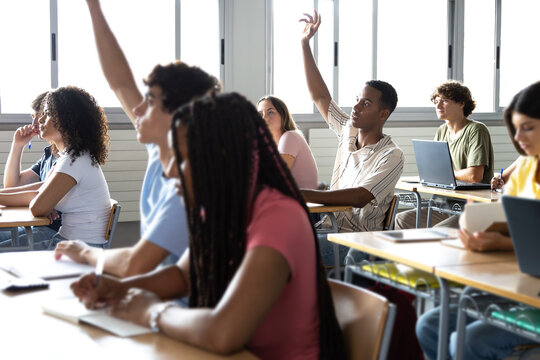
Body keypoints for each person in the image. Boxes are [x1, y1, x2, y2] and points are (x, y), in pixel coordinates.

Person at [71, 92, 347, 359]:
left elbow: (223, 333)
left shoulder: (278, 216)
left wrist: (152, 312)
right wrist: (118, 289)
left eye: (181, 156)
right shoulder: (220, 208)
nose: (168, 171)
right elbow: (183, 276)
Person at [53, 0, 219, 277]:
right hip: (159, 290)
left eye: (151, 101)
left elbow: (136, 264)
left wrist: (82, 252)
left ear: (177, 116)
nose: (138, 109)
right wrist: (93, 8)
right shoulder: (161, 148)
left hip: (179, 305)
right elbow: (120, 82)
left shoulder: (190, 181)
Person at [416, 81, 540, 360]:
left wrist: (503, 243)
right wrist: (481, 230)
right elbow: (516, 222)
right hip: (515, 280)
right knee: (429, 326)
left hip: (531, 289)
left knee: (468, 340)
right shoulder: (527, 166)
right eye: (515, 127)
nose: (518, 137)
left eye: (528, 127)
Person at [298, 11, 404, 264]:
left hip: (356, 242)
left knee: (284, 250)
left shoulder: (391, 155)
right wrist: (304, 44)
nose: (355, 108)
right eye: (357, 100)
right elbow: (320, 97)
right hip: (329, 227)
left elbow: (359, 196)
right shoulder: (348, 130)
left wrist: (304, 193)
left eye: (365, 103)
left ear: (383, 114)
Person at [0, 86, 111, 249]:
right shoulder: (70, 157)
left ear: (67, 120)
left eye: (47, 113)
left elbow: (37, 207)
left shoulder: (74, 161)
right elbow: (37, 192)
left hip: (80, 251)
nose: (40, 119)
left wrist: (43, 201)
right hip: (67, 243)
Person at [395, 80, 494, 229]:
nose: (438, 106)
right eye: (436, 101)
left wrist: (445, 174)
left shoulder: (476, 130)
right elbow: (434, 170)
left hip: (470, 207)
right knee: (402, 220)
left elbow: (475, 176)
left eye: (445, 101)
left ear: (461, 103)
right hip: (444, 204)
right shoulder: (442, 131)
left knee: (438, 231)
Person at [0, 91, 62, 245]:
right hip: (36, 225)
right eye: (33, 117)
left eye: (42, 116)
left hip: (53, 230)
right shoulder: (49, 154)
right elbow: (12, 185)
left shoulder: (66, 158)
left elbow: (41, 191)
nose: (36, 122)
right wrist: (18, 145)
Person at [257, 95, 318, 189]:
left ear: (283, 115)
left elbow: (275, 176)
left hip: (302, 199)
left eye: (270, 112)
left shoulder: (290, 136)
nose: (264, 118)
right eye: (260, 114)